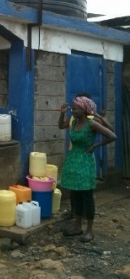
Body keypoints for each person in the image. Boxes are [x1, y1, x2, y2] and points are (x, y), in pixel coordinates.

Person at [59, 96, 116, 243]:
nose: (73, 111)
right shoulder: (74, 122)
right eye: (72, 108)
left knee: (87, 196)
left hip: (85, 162)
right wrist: (62, 113)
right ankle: (77, 226)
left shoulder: (92, 123)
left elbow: (112, 135)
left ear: (84, 109)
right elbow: (60, 125)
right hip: (73, 160)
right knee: (76, 194)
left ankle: (89, 230)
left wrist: (94, 146)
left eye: (75, 108)